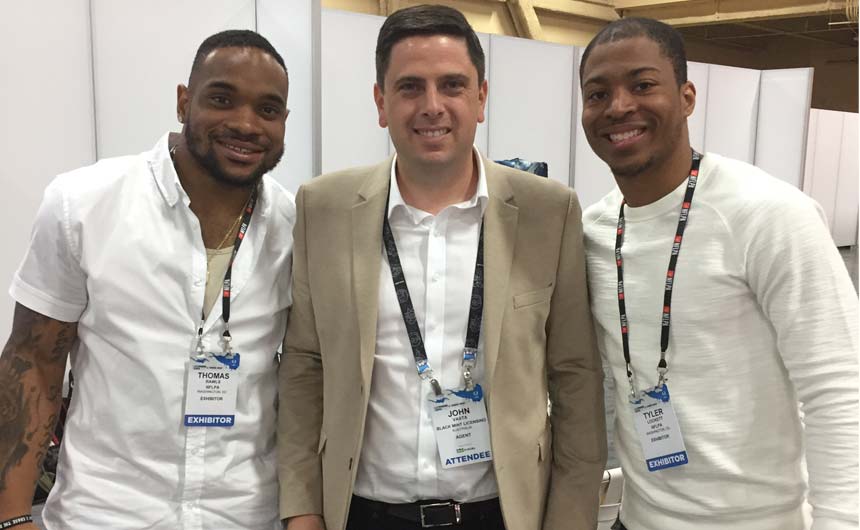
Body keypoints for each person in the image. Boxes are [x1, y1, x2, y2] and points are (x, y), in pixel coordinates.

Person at [278, 5, 606, 530]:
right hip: (360, 513)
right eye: (410, 87)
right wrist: (301, 510)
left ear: (481, 98)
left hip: (502, 514)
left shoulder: (549, 211)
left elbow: (575, 377)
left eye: (452, 85)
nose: (432, 106)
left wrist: (569, 520)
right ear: (381, 102)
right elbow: (303, 366)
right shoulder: (324, 208)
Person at [0, 30, 295, 529]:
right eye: (222, 99)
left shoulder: (295, 225)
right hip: (106, 514)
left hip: (246, 515)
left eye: (267, 110)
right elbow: (33, 362)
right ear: (184, 101)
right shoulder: (84, 204)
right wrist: (10, 516)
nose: (245, 124)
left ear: (284, 122)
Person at [579, 17, 858, 530]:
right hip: (636, 519)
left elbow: (840, 388)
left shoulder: (768, 214)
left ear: (686, 96)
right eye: (598, 94)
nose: (618, 107)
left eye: (642, 85)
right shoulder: (596, 229)